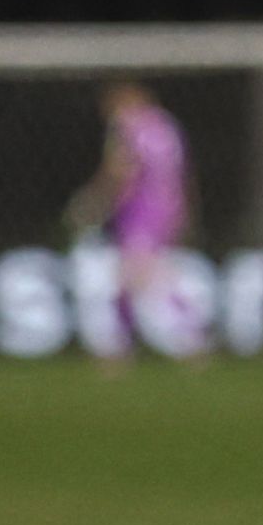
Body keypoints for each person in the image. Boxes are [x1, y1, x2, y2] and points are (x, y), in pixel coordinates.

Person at [68, 82, 203, 368]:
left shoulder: (129, 127)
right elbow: (182, 173)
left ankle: (182, 341)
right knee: (140, 276)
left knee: (138, 276)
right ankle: (126, 347)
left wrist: (93, 201)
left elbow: (120, 170)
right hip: (168, 208)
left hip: (141, 210)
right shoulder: (167, 127)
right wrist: (185, 211)